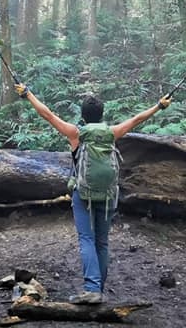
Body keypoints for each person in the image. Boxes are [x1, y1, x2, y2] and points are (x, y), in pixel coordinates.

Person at [14, 83, 171, 304]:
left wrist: (28, 93)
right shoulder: (112, 133)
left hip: (83, 194)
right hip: (108, 196)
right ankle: (99, 288)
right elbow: (137, 119)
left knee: (86, 239)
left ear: (83, 116)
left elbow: (47, 114)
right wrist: (158, 106)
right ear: (102, 114)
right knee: (102, 241)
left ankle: (92, 289)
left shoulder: (76, 133)